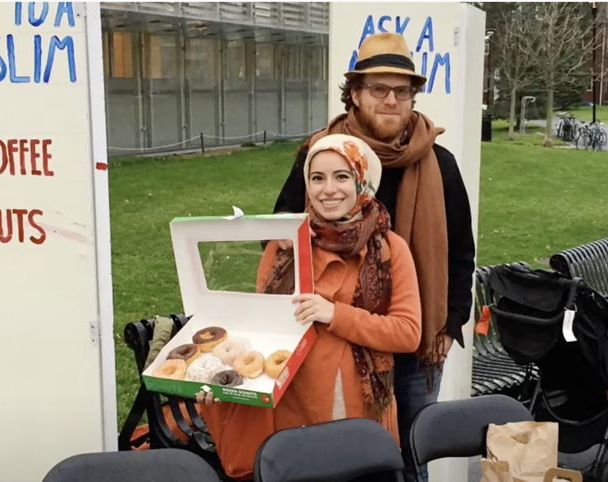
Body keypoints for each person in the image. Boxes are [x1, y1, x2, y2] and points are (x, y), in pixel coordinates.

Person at [273, 32, 476, 481]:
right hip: (339, 337)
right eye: (378, 89)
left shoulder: (438, 163)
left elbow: (461, 251)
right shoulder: (322, 154)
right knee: (348, 456)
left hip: (414, 336)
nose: (390, 99)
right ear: (356, 95)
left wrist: (451, 321)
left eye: (401, 90)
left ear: (412, 97)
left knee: (409, 455)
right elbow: (282, 230)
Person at [197, 134, 422, 481]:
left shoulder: (390, 249)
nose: (328, 189)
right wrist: (223, 382)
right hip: (292, 407)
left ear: (362, 181)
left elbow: (408, 333)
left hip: (359, 411)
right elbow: (260, 330)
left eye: (342, 176)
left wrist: (335, 314)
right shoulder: (285, 245)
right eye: (317, 178)